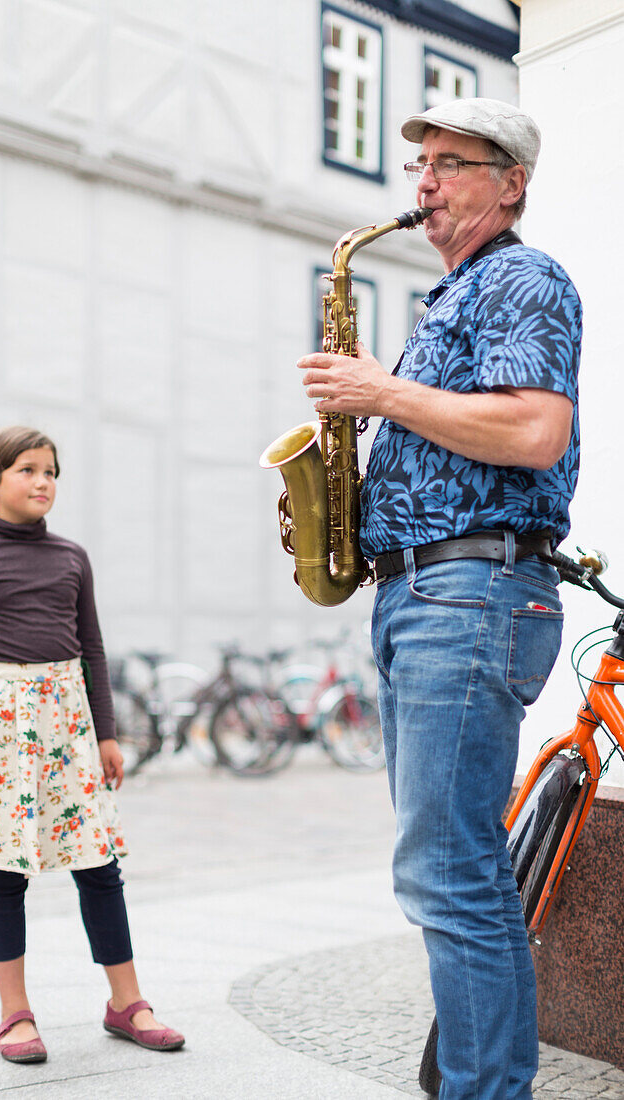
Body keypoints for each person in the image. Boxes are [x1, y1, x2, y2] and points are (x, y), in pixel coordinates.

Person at [298, 99, 581, 1099]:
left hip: (467, 588)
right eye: (419, 163)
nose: (422, 182)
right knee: (445, 869)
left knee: (451, 874)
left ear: (509, 182)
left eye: (450, 164)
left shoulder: (520, 276)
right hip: (428, 593)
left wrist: (377, 394)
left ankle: (483, 1089)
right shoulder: (454, 297)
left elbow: (534, 429)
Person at [0, 425, 184, 1064]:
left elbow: (92, 648)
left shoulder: (71, 557)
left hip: (68, 720)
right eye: (28, 471)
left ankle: (127, 1003)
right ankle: (15, 1014)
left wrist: (107, 733)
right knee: (5, 869)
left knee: (99, 865)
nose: (43, 482)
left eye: (51, 472)